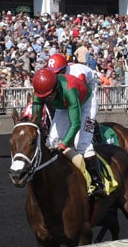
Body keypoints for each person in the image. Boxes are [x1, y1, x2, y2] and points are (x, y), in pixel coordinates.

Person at [30, 64, 113, 197]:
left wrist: (63, 145)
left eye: (49, 96)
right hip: (64, 105)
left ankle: (98, 184)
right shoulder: (41, 90)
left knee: (82, 144)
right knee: (51, 142)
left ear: (56, 87)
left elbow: (75, 123)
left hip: (86, 104)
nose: (47, 99)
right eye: (43, 97)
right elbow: (36, 118)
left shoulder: (69, 90)